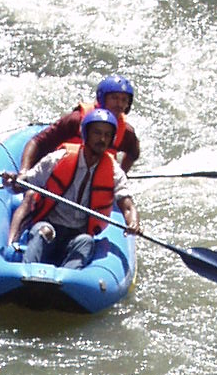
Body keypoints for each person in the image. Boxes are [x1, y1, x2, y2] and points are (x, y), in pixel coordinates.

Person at [7, 103, 140, 270]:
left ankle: (64, 285)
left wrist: (133, 221)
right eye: (97, 133)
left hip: (78, 235)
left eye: (107, 135)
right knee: (44, 231)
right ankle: (26, 275)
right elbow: (24, 184)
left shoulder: (114, 171)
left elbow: (127, 205)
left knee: (86, 241)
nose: (102, 139)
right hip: (50, 225)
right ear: (86, 134)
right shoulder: (59, 158)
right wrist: (12, 182)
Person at [17, 74, 142, 175]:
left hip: (93, 180)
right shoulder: (76, 120)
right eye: (114, 98)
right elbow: (37, 142)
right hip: (61, 172)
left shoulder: (126, 132)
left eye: (124, 100)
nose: (119, 104)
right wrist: (25, 171)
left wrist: (121, 175)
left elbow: (133, 153)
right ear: (102, 98)